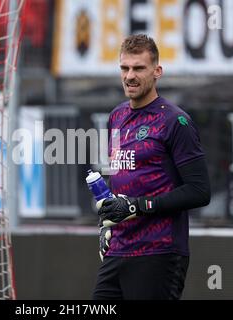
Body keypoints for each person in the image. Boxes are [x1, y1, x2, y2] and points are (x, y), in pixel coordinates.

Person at [93, 34, 211, 300]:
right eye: (125, 68)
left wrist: (137, 206)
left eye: (139, 68)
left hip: (158, 252)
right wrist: (107, 226)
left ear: (157, 72)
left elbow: (199, 191)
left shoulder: (175, 121)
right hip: (118, 251)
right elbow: (119, 178)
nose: (130, 76)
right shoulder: (116, 116)